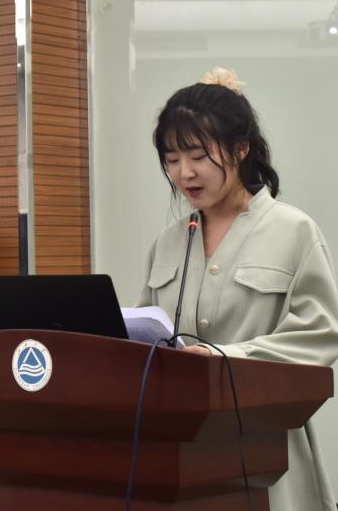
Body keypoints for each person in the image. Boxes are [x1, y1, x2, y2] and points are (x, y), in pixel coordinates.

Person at [141, 67, 338, 510]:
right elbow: (145, 334)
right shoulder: (168, 242)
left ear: (240, 148)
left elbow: (320, 337)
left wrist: (224, 358)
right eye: (172, 159)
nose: (184, 173)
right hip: (178, 458)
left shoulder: (294, 232)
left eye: (197, 155)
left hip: (268, 455)